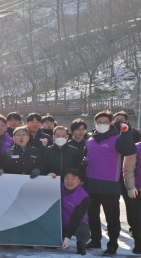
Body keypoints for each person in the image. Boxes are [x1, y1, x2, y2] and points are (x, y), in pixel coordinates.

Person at [84, 110, 136, 256]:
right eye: (99, 122)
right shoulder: (90, 140)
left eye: (105, 122)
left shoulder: (117, 139)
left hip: (110, 186)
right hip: (91, 184)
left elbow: (130, 150)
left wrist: (126, 134)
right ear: (95, 124)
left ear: (111, 123)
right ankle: (95, 239)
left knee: (112, 218)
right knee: (92, 216)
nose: (102, 125)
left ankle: (112, 244)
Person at [61, 168, 91, 256]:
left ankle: (81, 244)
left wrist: (67, 237)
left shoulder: (84, 197)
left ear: (79, 181)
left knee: (83, 232)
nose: (69, 181)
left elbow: (76, 217)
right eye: (67, 178)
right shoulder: (59, 187)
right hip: (61, 223)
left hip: (77, 223)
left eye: (73, 178)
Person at [122, 139, 141, 254]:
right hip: (138, 189)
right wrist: (130, 187)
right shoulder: (135, 147)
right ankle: (138, 244)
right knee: (138, 219)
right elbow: (128, 169)